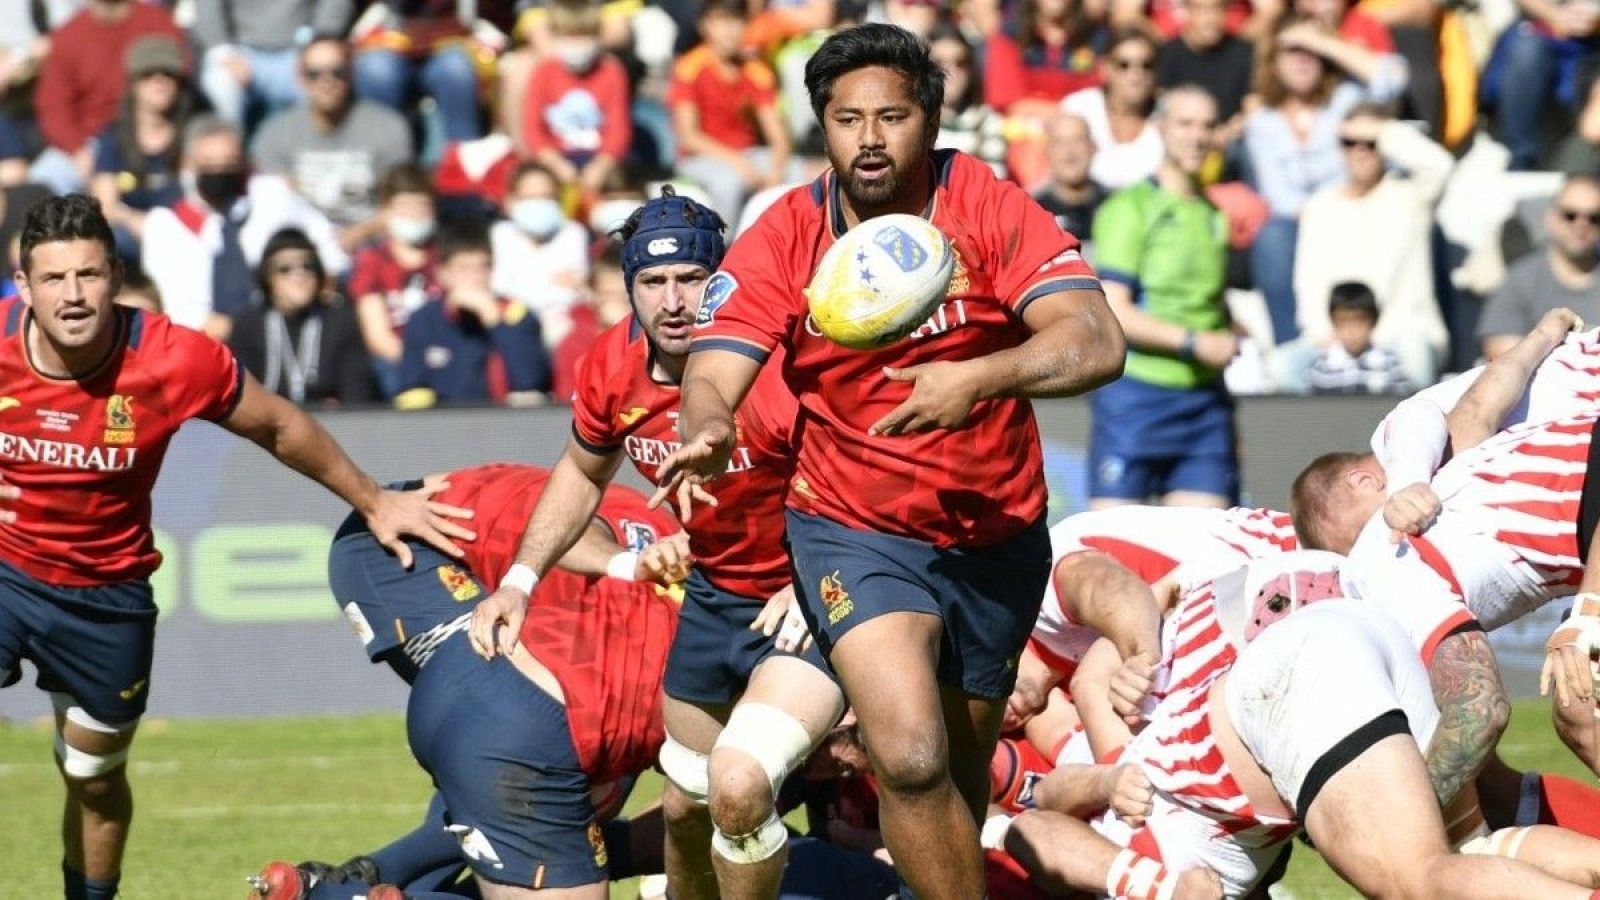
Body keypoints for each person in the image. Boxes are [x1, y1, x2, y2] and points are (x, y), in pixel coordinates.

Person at [649, 24, 1124, 900]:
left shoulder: (983, 202)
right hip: (851, 529)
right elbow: (713, 370)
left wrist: (978, 377)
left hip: (996, 534)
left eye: (892, 116)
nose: (869, 138)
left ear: (931, 121)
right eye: (846, 118)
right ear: (821, 127)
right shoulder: (787, 232)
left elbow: (1095, 341)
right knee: (906, 755)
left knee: (963, 761)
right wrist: (710, 421)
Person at [0, 192, 468, 900]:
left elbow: (279, 425)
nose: (72, 296)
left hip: (107, 598)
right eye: (55, 279)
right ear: (23, 282)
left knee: (94, 782)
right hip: (7, 573)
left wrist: (374, 499)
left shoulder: (171, 357)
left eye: (88, 276)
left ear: (116, 276)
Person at [466, 188, 845, 900]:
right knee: (685, 809)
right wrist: (519, 578)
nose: (673, 301)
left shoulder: (783, 364)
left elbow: (864, 480)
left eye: (692, 280)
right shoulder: (612, 365)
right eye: (652, 281)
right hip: (714, 599)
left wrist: (819, 579)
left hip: (811, 596)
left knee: (740, 786)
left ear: (723, 280)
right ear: (629, 287)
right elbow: (581, 473)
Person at [250, 462, 687, 900]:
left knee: (556, 800)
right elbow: (580, 530)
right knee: (559, 784)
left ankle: (360, 884)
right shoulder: (626, 560)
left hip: (505, 674)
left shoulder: (669, 560)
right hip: (395, 550)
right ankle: (360, 884)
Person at [1089, 85, 1238, 510]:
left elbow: (1211, 304)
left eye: (1207, 125)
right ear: (1160, 129)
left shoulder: (1214, 214)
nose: (1197, 136)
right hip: (1135, 395)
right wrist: (1195, 343)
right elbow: (1114, 310)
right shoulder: (1129, 207)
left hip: (1204, 403)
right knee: (1113, 551)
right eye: (1185, 124)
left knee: (1204, 557)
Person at [1245, 15, 1410, 344]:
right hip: (1305, 220)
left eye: (1312, 50)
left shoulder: (1347, 100)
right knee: (1272, 238)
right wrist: (1324, 213)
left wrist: (1325, 42)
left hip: (1362, 208)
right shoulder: (1262, 122)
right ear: (1273, 60)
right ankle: (1292, 348)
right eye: (1293, 49)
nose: (1304, 58)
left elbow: (1394, 78)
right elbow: (1279, 197)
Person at [1283, 103, 1452, 389]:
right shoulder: (1319, 206)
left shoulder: (1410, 195)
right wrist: (1326, 335)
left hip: (1398, 338)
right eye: (1350, 142)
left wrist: (1385, 131)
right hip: (1334, 338)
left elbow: (1441, 165)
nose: (1360, 150)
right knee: (1282, 366)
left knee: (1416, 358)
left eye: (1370, 143)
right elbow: (1307, 280)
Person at [139, 115, 348, 336]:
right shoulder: (165, 223)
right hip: (203, 343)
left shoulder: (269, 195)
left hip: (284, 331)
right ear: (188, 163)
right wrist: (249, 335)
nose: (220, 171)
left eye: (229, 163)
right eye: (209, 164)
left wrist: (319, 292)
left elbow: (326, 242)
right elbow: (178, 309)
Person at [251, 35, 415, 253]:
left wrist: (358, 235)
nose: (327, 81)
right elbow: (274, 204)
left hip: (371, 246)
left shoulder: (389, 128)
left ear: (352, 73)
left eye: (337, 72)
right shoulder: (275, 132)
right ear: (300, 78)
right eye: (315, 74)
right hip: (303, 247)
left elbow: (402, 204)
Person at [30, 0, 187, 195]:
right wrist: (76, 148)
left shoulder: (157, 22)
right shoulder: (70, 34)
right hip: (90, 140)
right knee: (42, 182)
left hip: (148, 132)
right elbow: (53, 105)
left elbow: (181, 80)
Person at [394, 222, 551, 409]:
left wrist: (495, 321)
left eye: (483, 268)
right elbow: (411, 389)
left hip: (507, 424)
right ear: (443, 274)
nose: (476, 278)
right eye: (464, 269)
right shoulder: (424, 320)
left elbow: (530, 381)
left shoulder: (516, 314)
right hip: (444, 426)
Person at [670, 0, 800, 224]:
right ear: (705, 26)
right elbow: (689, 137)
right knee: (729, 183)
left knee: (799, 172)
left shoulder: (756, 70)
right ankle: (725, 246)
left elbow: (777, 133)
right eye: (722, 22)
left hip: (749, 153)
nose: (730, 31)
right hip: (702, 158)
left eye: (737, 22)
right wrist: (737, 163)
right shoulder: (689, 68)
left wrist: (777, 170)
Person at [228, 227, 373, 407]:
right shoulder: (248, 324)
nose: (299, 275)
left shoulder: (340, 320)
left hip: (329, 425)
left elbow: (357, 396)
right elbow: (242, 398)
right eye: (285, 268)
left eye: (308, 266)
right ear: (267, 277)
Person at [90, 36, 193, 266]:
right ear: (133, 83)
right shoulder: (113, 138)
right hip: (130, 238)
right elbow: (104, 205)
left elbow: (198, 200)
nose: (159, 81)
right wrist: (134, 220)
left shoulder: (192, 135)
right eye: (148, 74)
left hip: (182, 237)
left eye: (168, 74)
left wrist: (162, 227)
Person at [1478, 176, 1600, 361]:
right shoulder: (1521, 278)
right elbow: (1499, 352)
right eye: (1570, 215)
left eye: (1594, 217)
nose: (1581, 224)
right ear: (1551, 218)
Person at [520, 0, 632, 198]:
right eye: (570, 38)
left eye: (584, 37)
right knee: (536, 183)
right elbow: (532, 128)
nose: (577, 46)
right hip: (555, 157)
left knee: (619, 184)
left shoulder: (611, 71)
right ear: (556, 37)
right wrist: (555, 163)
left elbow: (619, 128)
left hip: (599, 159)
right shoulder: (544, 72)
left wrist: (601, 166)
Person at [349, 163, 440, 399]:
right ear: (386, 210)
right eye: (405, 206)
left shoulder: (444, 258)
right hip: (395, 361)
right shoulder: (372, 261)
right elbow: (378, 337)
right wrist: (418, 362)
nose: (415, 214)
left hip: (444, 356)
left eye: (422, 206)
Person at [194, 0, 352, 128]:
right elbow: (207, 7)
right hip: (239, 51)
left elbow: (334, 5)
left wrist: (317, 46)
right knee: (220, 83)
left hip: (301, 50)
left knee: (323, 80)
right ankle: (231, 156)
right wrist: (225, 52)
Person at [489, 161, 591, 343]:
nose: (538, 203)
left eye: (546, 197)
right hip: (513, 325)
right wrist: (551, 279)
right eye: (529, 197)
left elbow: (574, 292)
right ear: (510, 201)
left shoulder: (573, 233)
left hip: (564, 327)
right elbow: (499, 287)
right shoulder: (499, 235)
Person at [1061, 29, 1165, 190]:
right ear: (1105, 68)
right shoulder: (1080, 109)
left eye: (1146, 65)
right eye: (1124, 65)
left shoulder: (1168, 117)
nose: (1136, 74)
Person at [1155, 0, 1255, 147]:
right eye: (1202, 9)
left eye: (1217, 8)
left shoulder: (1245, 53)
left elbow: (1253, 109)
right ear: (1187, 10)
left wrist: (1228, 132)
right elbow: (1161, 109)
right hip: (1181, 142)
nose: (1210, 18)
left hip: (1230, 143)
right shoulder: (1167, 54)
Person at [928, 24, 1008, 179]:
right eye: (939, 64)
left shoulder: (989, 121)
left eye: (960, 62)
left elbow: (995, 182)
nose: (950, 72)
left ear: (971, 68)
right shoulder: (914, 120)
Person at [1306, 281, 1411, 395]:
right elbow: (1313, 407)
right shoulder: (1322, 365)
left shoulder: (1388, 362)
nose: (1352, 331)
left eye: (1359, 323)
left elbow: (1402, 404)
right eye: (1343, 323)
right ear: (1334, 324)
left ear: (1373, 323)